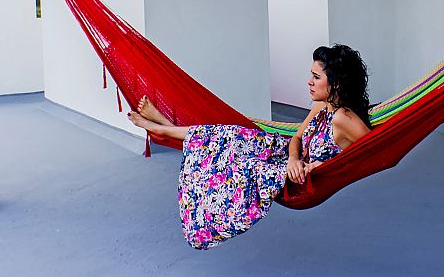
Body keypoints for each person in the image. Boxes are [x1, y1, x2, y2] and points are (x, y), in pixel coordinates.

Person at [127, 44, 372, 249]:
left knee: (237, 166)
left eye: (316, 77)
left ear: (337, 83)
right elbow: (296, 139)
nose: (308, 82)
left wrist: (327, 166)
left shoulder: (343, 118)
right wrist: (293, 158)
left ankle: (161, 128)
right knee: (230, 135)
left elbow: (369, 155)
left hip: (292, 176)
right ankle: (165, 126)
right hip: (284, 155)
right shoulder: (321, 106)